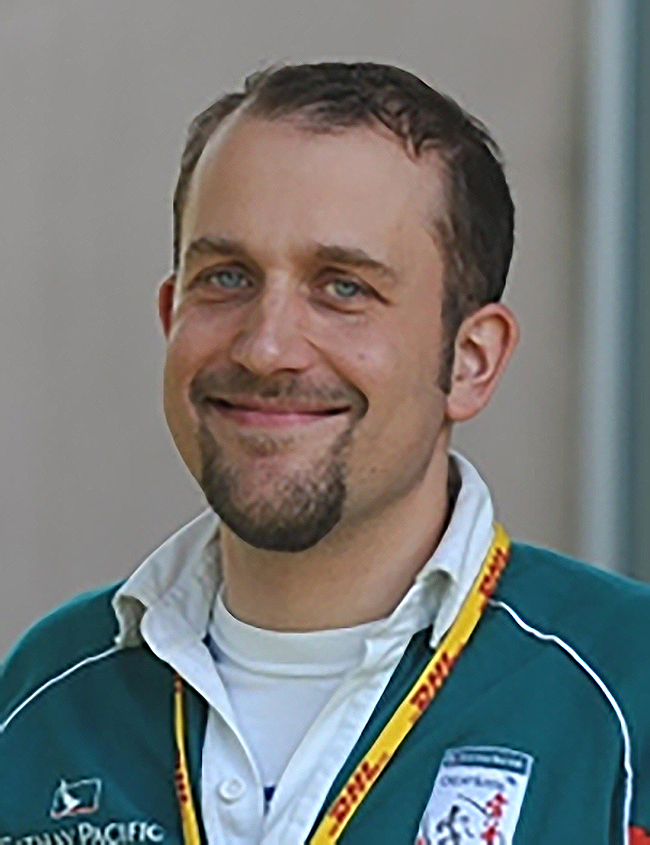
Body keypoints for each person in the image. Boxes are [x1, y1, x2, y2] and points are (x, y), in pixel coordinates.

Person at [1, 61, 649, 845]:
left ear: (470, 360)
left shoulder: (627, 686)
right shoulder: (47, 692)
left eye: (343, 287)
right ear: (172, 314)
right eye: (227, 277)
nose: (268, 346)